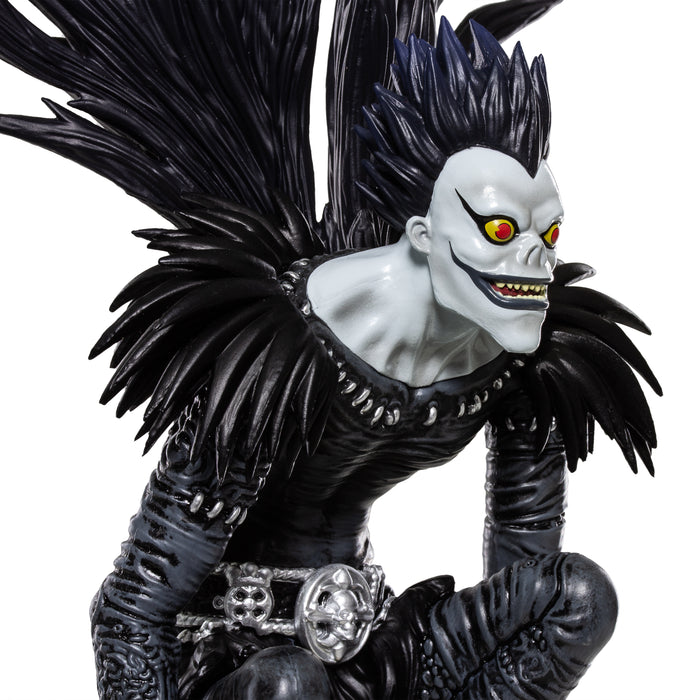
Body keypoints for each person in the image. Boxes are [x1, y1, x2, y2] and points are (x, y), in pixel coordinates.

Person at [0, 2, 659, 698]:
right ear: (421, 234)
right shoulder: (273, 342)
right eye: (499, 228)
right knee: (290, 684)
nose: (535, 259)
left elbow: (522, 571)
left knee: (579, 597)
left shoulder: (527, 354)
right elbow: (131, 610)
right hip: (235, 658)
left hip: (374, 644)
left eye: (547, 233)